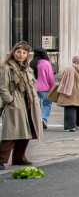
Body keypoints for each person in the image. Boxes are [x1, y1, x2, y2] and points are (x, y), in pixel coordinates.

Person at [0, 41, 42, 169]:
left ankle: (19, 158)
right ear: (13, 53)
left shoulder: (28, 69)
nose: (21, 55)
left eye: (24, 53)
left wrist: (35, 100)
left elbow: (33, 86)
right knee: (11, 132)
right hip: (15, 102)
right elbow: (3, 87)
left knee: (26, 131)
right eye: (18, 52)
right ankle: (1, 159)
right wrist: (10, 101)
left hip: (28, 103)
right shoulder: (7, 68)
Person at [31, 48, 54, 130]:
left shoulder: (30, 63)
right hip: (45, 88)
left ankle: (37, 119)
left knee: (36, 105)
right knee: (47, 104)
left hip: (33, 88)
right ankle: (43, 118)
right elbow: (50, 77)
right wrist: (52, 87)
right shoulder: (46, 63)